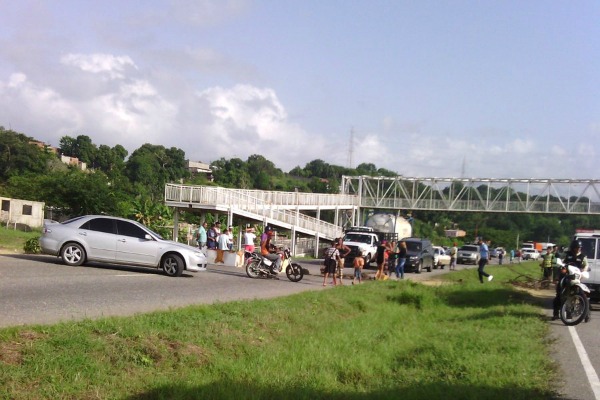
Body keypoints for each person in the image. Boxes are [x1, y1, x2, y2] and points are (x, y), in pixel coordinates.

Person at [553, 239, 590, 321]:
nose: (578, 249)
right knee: (559, 294)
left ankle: (586, 313)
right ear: (573, 248)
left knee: (582, 293)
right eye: (577, 247)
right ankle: (556, 314)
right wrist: (560, 267)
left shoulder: (583, 257)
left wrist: (584, 270)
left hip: (576, 278)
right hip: (565, 276)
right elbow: (560, 262)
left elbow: (586, 266)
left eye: (579, 247)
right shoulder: (567, 254)